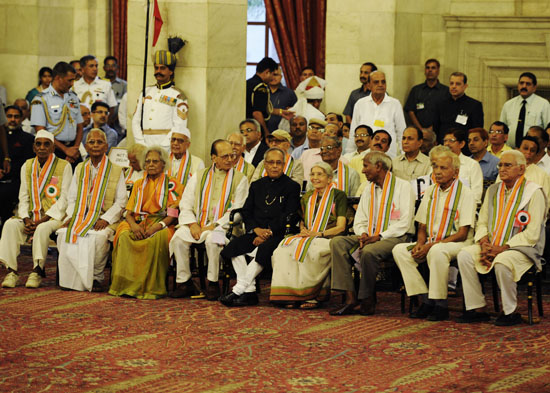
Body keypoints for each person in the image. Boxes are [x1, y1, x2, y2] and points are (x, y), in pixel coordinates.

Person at [457, 150, 546, 326]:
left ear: (521, 169)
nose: (502, 169)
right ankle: (477, 307)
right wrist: (484, 242)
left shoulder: (534, 192)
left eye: (507, 165)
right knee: (464, 255)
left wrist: (503, 247)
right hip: (491, 244)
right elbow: (481, 222)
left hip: (522, 247)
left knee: (503, 261)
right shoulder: (493, 190)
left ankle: (510, 311)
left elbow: (533, 233)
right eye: (500, 165)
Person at [392, 146, 475, 321]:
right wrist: (421, 244)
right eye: (435, 167)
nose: (437, 172)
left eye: (443, 168)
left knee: (437, 251)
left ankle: (441, 305)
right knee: (400, 250)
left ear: (456, 172)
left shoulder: (466, 193)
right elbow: (422, 225)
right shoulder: (430, 191)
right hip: (431, 240)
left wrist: (431, 246)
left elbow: (462, 233)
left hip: (457, 242)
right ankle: (426, 298)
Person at [329, 151, 415, 316]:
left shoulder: (403, 187)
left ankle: (367, 298)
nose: (362, 171)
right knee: (337, 242)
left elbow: (404, 222)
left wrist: (380, 236)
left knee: (369, 251)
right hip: (370, 235)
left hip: (395, 236)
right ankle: (350, 298)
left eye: (366, 166)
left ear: (379, 166)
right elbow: (360, 219)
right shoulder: (369, 189)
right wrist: (362, 234)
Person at [218, 148, 301, 306]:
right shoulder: (257, 185)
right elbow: (247, 211)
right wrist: (256, 230)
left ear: (283, 165)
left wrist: (268, 233)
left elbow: (290, 214)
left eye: (278, 163)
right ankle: (250, 292)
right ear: (264, 164)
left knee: (263, 250)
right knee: (236, 246)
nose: (275, 166)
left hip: (279, 234)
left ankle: (239, 290)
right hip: (257, 230)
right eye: (271, 162)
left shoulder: (292, 186)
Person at [169, 140, 248, 300]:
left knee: (213, 240)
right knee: (178, 238)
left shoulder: (241, 179)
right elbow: (185, 203)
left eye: (232, 155)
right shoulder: (199, 176)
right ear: (214, 158)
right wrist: (192, 224)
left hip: (225, 229)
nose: (230, 159)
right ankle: (184, 282)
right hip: (197, 224)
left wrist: (214, 225)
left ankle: (212, 282)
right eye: (224, 156)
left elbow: (238, 211)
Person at [56, 129, 127, 292]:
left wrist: (106, 220)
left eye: (99, 142)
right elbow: (72, 197)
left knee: (99, 238)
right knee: (63, 234)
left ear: (106, 146)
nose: (95, 145)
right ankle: (70, 278)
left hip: (105, 218)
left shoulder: (116, 169)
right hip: (80, 215)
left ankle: (96, 277)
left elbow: (121, 201)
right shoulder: (80, 168)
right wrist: (72, 216)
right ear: (86, 147)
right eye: (92, 142)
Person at [109, 146, 183, 299]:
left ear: (163, 164)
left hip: (163, 224)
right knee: (123, 235)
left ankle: (149, 288)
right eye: (147, 161)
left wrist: (157, 226)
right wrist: (134, 226)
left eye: (155, 161)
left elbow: (174, 215)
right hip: (138, 222)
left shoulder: (173, 185)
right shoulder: (138, 184)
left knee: (155, 239)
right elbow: (128, 213)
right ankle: (126, 285)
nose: (150, 164)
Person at [0, 131, 72, 288]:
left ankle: (37, 271)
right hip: (31, 216)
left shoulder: (64, 166)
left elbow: (64, 200)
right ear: (33, 147)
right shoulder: (27, 165)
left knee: (43, 228)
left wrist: (41, 220)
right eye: (38, 144)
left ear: (53, 148)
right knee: (9, 225)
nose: (42, 148)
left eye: (46, 144)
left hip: (53, 218)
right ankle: (11, 271)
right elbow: (23, 196)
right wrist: (26, 219)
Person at [270, 161, 347, 308]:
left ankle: (311, 296)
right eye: (312, 174)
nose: (315, 178)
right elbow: (302, 220)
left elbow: (341, 227)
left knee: (311, 252)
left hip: (328, 237)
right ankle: (289, 295)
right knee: (283, 250)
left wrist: (319, 233)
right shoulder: (307, 197)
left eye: (320, 174)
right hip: (309, 236)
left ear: (330, 178)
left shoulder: (339, 195)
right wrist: (303, 229)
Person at [132, 48, 189, 151]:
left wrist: (163, 147)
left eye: (162, 68)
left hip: (166, 147)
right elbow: (136, 120)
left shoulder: (178, 95)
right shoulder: (146, 91)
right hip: (144, 145)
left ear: (170, 71)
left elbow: (179, 126)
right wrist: (141, 143)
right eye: (156, 68)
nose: (158, 71)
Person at [31, 61, 83, 165]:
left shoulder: (73, 97)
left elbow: (80, 126)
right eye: (70, 80)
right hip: (53, 150)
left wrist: (75, 149)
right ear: (58, 78)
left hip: (73, 151)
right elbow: (41, 131)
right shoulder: (41, 99)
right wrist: (65, 150)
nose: (72, 84)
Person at [348, 71, 406, 158]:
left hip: (388, 156)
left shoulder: (395, 104)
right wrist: (350, 153)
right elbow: (353, 131)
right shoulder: (360, 104)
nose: (380, 85)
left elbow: (401, 132)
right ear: (369, 85)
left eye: (383, 82)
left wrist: (403, 155)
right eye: (376, 82)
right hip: (364, 156)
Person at [0, 106, 35, 228]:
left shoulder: (28, 139)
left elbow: (26, 163)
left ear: (21, 118)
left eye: (16, 116)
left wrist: (5, 172)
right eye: (9, 116)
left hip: (15, 181)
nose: (12, 119)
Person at [500, 72, 550, 148]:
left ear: (534, 87)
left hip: (534, 151)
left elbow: (548, 129)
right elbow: (502, 128)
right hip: (510, 150)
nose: (524, 86)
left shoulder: (543, 104)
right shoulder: (508, 104)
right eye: (521, 83)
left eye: (528, 84)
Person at [432, 72, 484, 143]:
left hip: (464, 147)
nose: (454, 86)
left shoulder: (474, 105)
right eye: (451, 83)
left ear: (465, 86)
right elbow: (436, 128)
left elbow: (477, 131)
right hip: (444, 146)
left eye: (458, 84)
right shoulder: (440, 104)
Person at [404, 59, 449, 131]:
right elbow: (410, 111)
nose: (430, 70)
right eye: (427, 68)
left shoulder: (446, 91)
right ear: (425, 71)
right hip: (418, 131)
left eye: (433, 68)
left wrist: (431, 129)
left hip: (438, 131)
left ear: (438, 71)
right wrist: (420, 129)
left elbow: (447, 113)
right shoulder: (416, 90)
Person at [442, 128, 483, 205]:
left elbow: (476, 195)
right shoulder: (438, 164)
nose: (447, 144)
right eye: (445, 141)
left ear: (461, 144)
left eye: (451, 141)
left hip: (464, 206)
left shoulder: (472, 164)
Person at [246, 57, 280, 137]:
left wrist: (281, 112)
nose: (273, 78)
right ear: (267, 72)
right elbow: (257, 113)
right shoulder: (261, 87)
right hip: (255, 129)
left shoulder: (248, 83)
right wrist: (265, 132)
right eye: (273, 74)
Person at [266, 66, 297, 133]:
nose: (273, 77)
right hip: (262, 130)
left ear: (281, 76)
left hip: (283, 132)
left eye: (276, 75)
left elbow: (295, 112)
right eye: (271, 75)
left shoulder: (289, 93)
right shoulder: (262, 91)